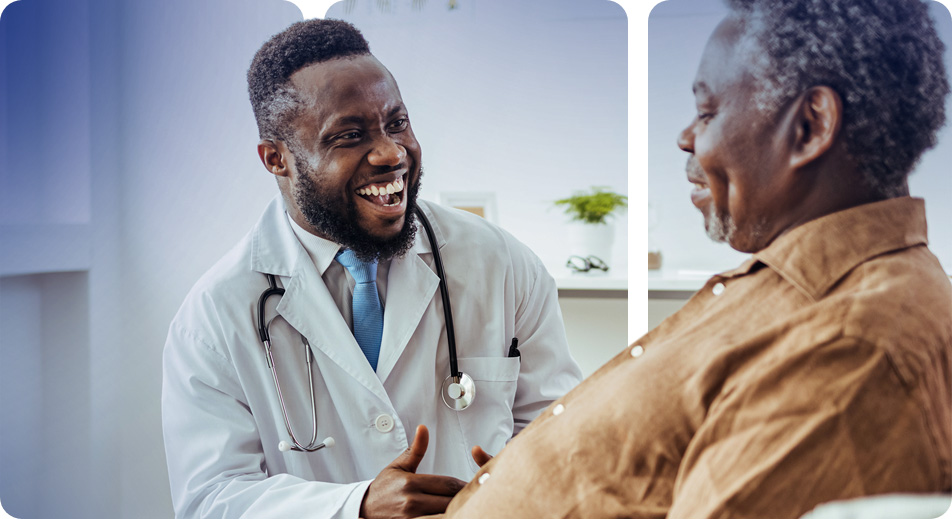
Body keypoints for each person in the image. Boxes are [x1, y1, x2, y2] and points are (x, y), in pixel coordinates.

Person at [422, 0, 952, 518]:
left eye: (707, 111)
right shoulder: (789, 288)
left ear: (810, 126)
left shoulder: (849, 348)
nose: (685, 138)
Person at [160, 19, 582, 519]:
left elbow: (559, 432)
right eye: (350, 135)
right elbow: (211, 498)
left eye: (397, 122)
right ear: (277, 159)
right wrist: (353, 507)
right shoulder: (216, 315)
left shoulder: (501, 263)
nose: (391, 153)